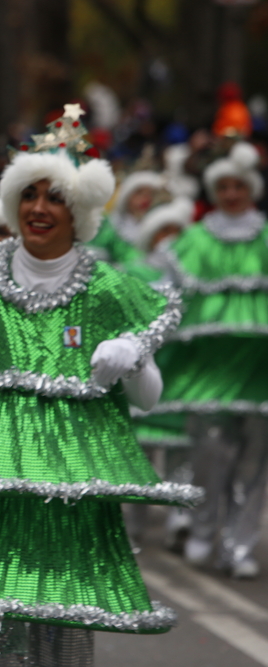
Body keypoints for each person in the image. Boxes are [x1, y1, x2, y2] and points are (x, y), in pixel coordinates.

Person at [0, 106, 200, 665]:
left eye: (55, 198)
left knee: (61, 617)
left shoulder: (106, 287)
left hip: (70, 481)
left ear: (80, 212)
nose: (39, 208)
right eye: (29, 195)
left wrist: (132, 361)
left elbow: (151, 398)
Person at [148, 141, 268, 578]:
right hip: (208, 370)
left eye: (239, 185)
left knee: (255, 459)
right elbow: (168, 291)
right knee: (210, 452)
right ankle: (203, 529)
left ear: (251, 188)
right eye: (224, 185)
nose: (232, 193)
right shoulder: (195, 241)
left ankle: (239, 545)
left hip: (257, 371)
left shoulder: (267, 238)